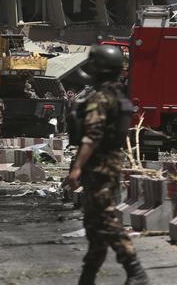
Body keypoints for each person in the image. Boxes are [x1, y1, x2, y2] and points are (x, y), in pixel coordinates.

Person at [66, 45, 148, 285]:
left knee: (106, 219)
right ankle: (88, 276)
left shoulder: (101, 98)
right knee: (94, 223)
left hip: (99, 165)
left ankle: (136, 271)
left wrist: (76, 168)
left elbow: (92, 135)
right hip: (108, 162)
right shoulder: (116, 95)